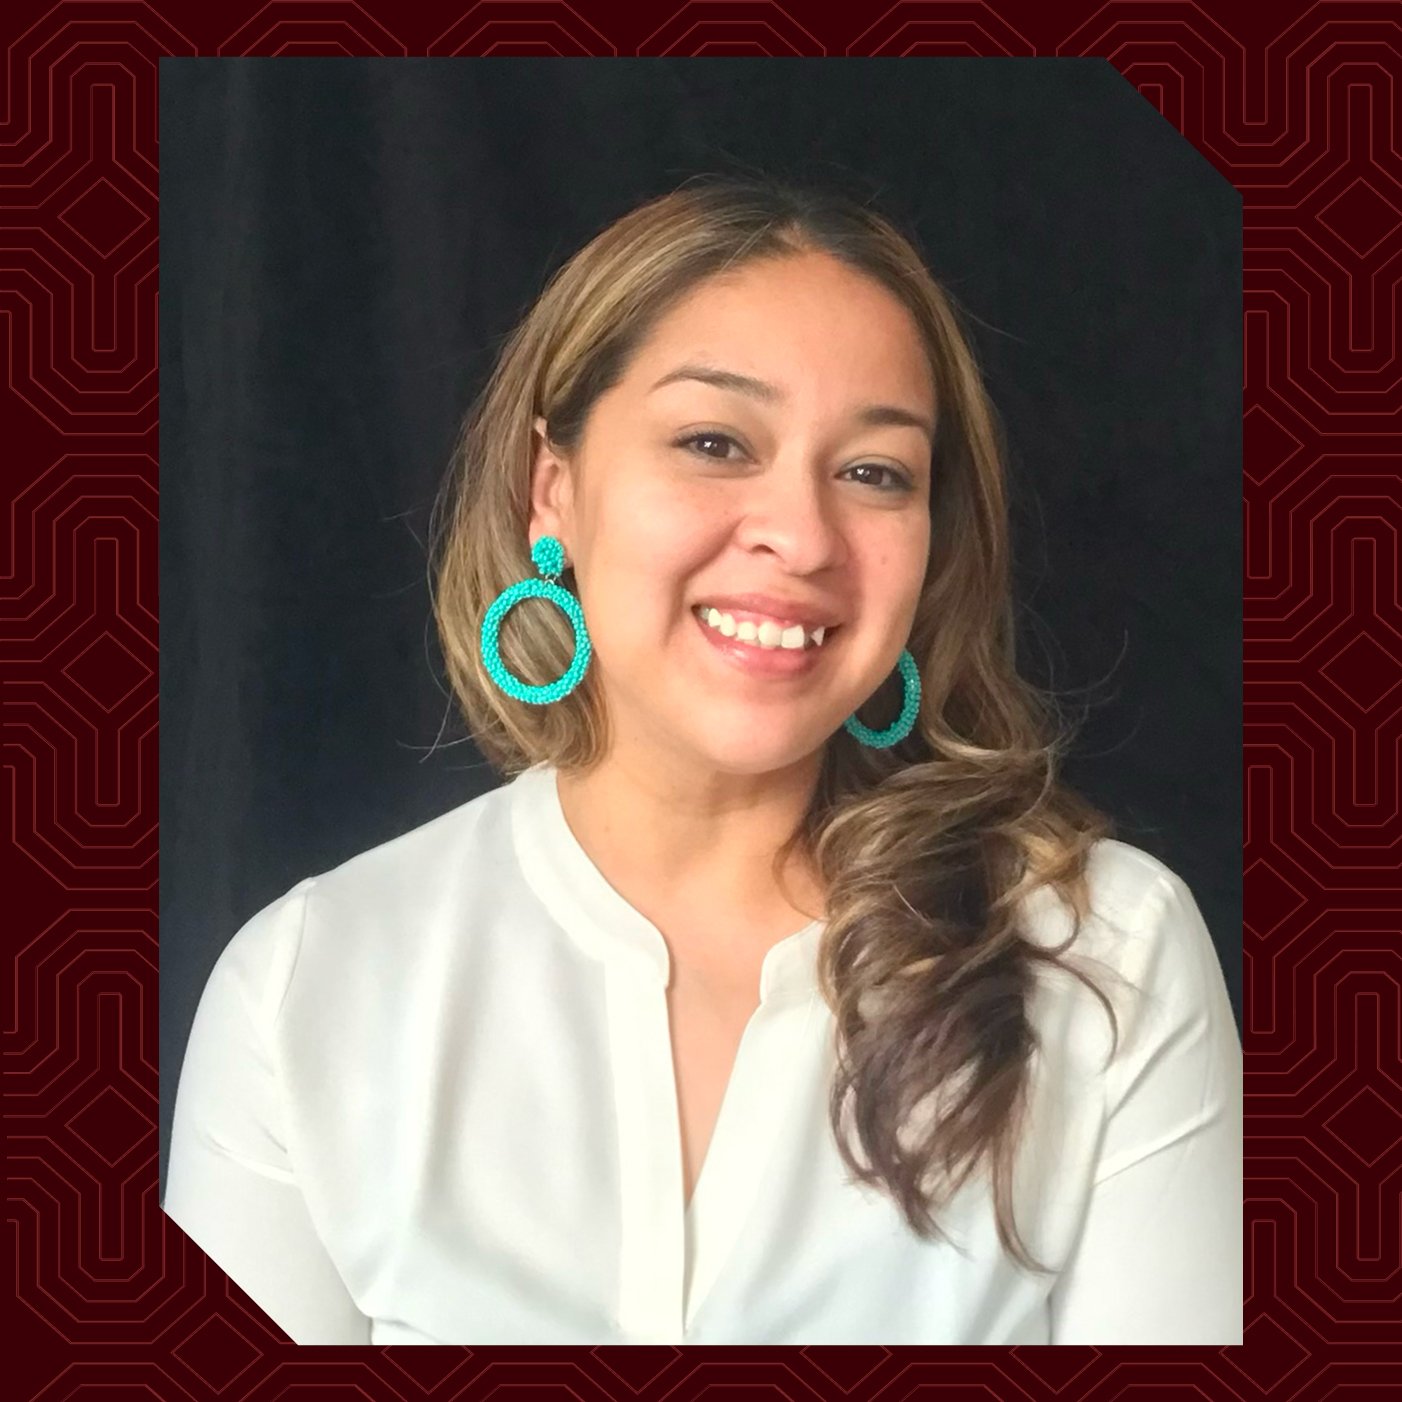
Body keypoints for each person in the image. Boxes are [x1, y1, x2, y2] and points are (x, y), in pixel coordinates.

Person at [162, 175, 1243, 1345]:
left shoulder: (1109, 960)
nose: (801, 535)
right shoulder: (311, 982)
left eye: (875, 471)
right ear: (553, 494)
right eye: (714, 442)